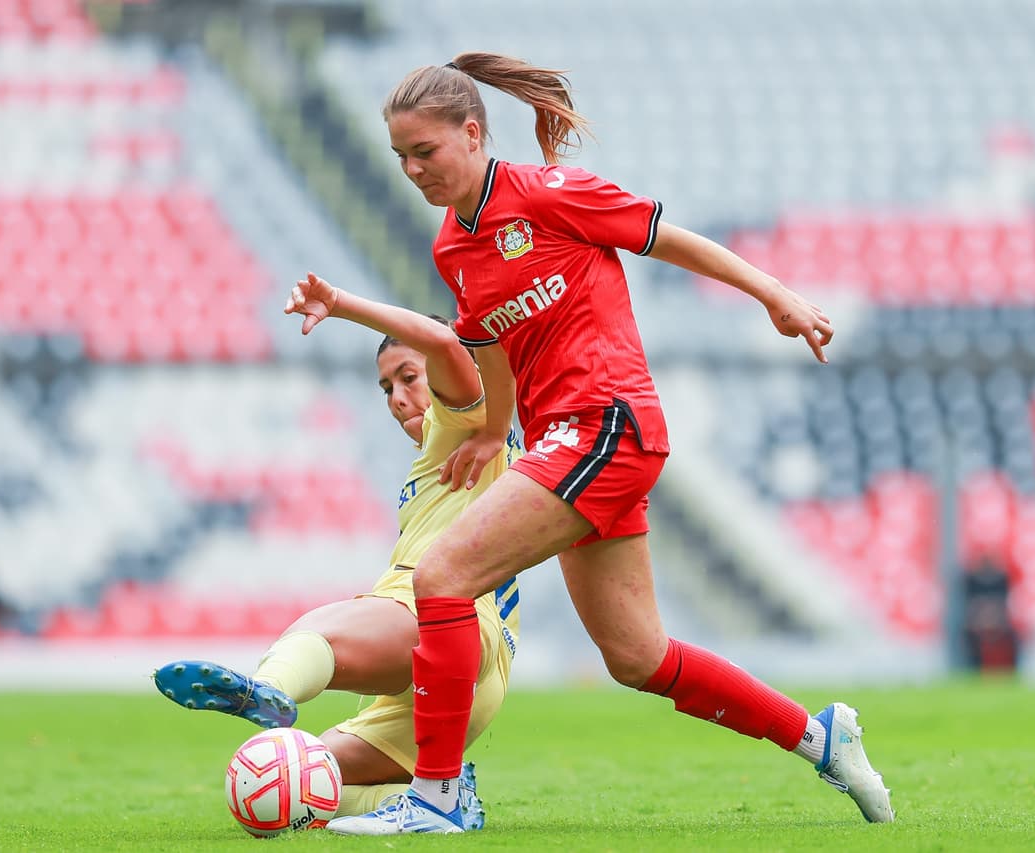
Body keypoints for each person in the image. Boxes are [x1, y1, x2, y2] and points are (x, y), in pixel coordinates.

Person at [326, 52, 893, 836]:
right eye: (401, 157)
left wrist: (775, 294)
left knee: (443, 577)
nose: (413, 170)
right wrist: (491, 428)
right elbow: (488, 339)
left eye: (425, 150)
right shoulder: (453, 246)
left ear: (473, 133)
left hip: (605, 423)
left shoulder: (551, 193)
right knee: (637, 656)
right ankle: (820, 737)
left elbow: (669, 239)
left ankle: (437, 797)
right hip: (567, 441)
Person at [153, 278, 523, 828]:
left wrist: (343, 305)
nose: (397, 398)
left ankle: (270, 689)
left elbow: (446, 345)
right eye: (386, 388)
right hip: (477, 675)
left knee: (316, 633)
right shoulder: (465, 448)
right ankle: (439, 800)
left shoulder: (461, 421)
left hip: (439, 613)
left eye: (409, 377)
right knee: (300, 778)